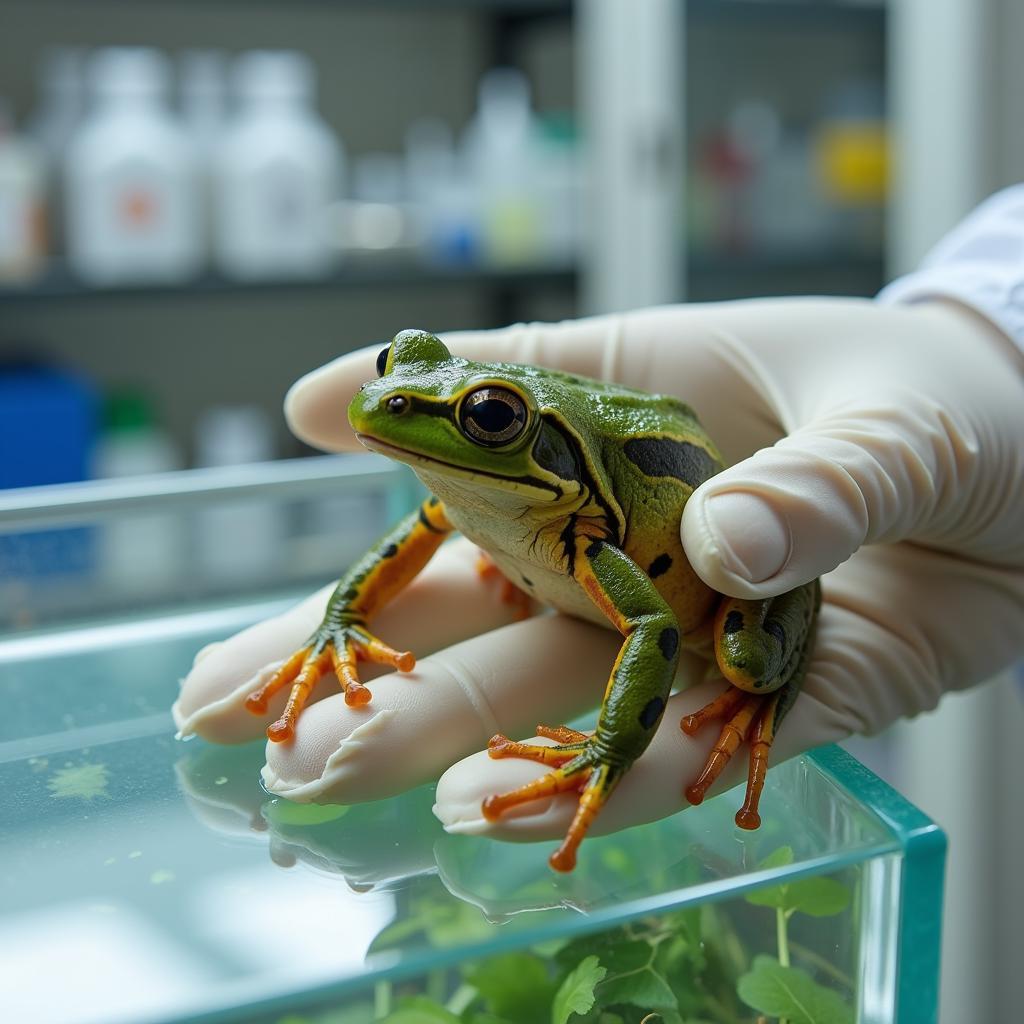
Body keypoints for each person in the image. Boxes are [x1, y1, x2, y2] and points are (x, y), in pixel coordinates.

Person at [174, 186, 1024, 845]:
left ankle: (758, 700)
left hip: (697, 573)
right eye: (400, 363)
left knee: (746, 662)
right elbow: (414, 536)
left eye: (491, 419)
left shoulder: (585, 532)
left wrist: (608, 747)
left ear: (524, 434)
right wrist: (342, 619)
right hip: (571, 513)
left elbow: (653, 628)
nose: (388, 393)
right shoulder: (461, 496)